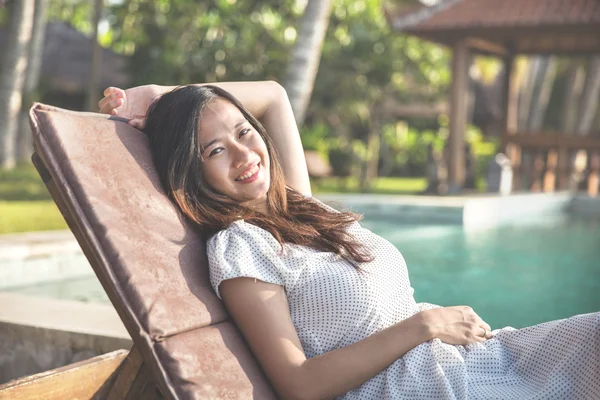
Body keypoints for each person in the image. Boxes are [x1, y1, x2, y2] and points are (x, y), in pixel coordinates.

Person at [98, 82, 600, 400]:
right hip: (417, 388)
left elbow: (273, 95)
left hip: (473, 358)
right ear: (193, 170)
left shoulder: (301, 207)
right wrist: (425, 324)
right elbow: (298, 385)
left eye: (243, 132)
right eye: (214, 149)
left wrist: (163, 94)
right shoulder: (239, 246)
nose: (243, 153)